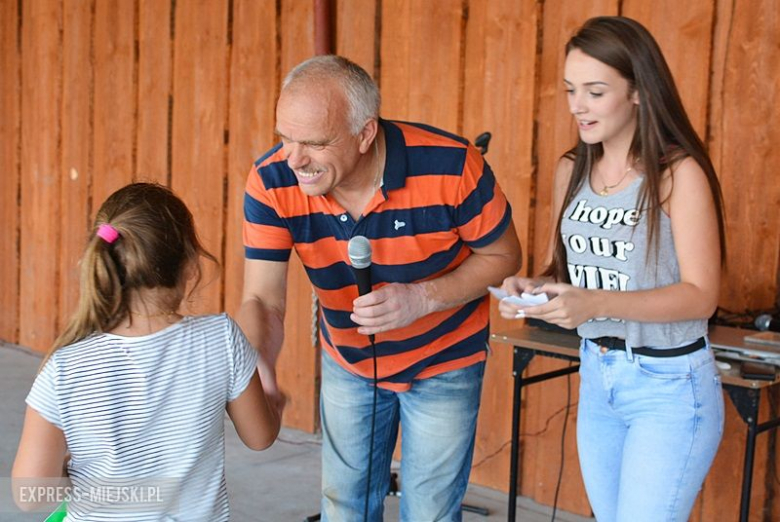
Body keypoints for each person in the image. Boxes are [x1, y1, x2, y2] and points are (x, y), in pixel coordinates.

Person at [239, 55, 522, 521]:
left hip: (446, 360)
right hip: (349, 362)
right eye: (284, 138)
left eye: (314, 143)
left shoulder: (453, 165)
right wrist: (259, 362)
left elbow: (505, 257)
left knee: (430, 511)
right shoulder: (272, 179)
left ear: (366, 133)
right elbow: (263, 299)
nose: (294, 160)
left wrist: (422, 298)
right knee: (344, 507)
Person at [499, 16, 726, 522]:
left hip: (668, 385)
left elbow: (700, 295)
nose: (578, 105)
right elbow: (570, 269)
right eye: (570, 90)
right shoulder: (571, 169)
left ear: (640, 92)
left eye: (595, 91)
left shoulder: (677, 174)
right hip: (600, 375)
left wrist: (595, 303)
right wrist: (535, 286)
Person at [12, 183, 280, 521]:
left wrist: (74, 474)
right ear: (190, 267)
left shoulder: (64, 367)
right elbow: (260, 437)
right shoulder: (221, 339)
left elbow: (30, 496)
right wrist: (273, 403)